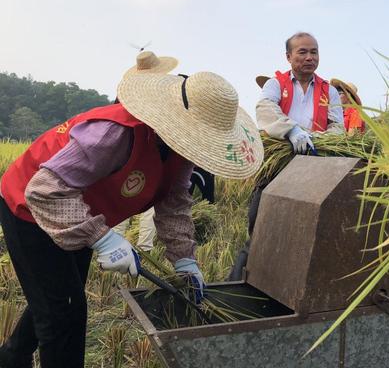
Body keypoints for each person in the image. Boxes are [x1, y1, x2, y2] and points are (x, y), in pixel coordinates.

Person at [0, 70, 263, 368]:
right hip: (29, 206)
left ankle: (10, 358)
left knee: (57, 298)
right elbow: (44, 190)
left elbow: (174, 202)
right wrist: (103, 237)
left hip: (82, 209)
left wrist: (184, 260)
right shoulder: (114, 134)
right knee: (65, 316)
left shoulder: (180, 150)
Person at [227, 32, 344, 281]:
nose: (309, 57)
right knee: (260, 229)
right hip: (279, 165)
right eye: (302, 52)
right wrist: (291, 130)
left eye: (314, 52)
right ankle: (237, 284)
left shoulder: (328, 91)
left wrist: (316, 139)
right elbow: (265, 108)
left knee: (303, 231)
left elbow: (338, 127)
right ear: (289, 56)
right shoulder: (276, 84)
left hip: (314, 168)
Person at [113, 50, 179, 251]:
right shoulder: (162, 93)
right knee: (147, 199)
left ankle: (115, 245)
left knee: (120, 198)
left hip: (126, 152)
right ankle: (142, 247)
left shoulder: (124, 93)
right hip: (147, 149)